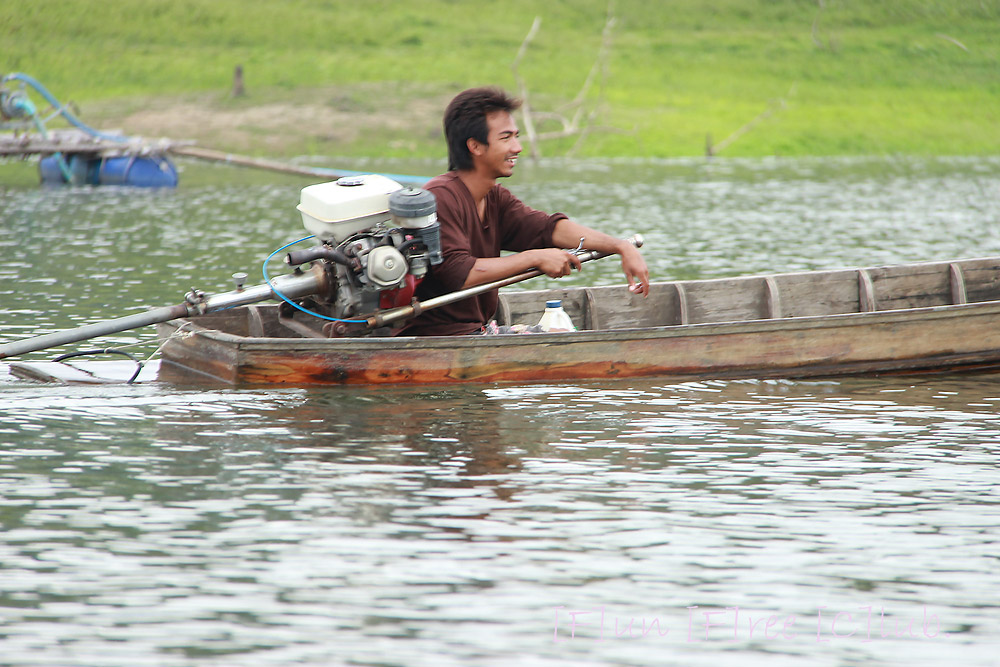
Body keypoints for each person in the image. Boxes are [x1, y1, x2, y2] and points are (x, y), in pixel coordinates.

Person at [397, 86, 649, 336]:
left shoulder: (494, 197)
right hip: (438, 339)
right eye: (506, 138)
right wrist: (535, 258)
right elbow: (460, 274)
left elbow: (548, 229)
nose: (517, 147)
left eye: (516, 136)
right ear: (475, 146)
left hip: (477, 332)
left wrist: (620, 247)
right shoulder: (441, 197)